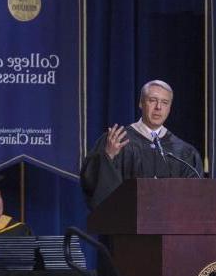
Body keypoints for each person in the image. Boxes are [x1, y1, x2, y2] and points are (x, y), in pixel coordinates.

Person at [81, 79, 203, 210]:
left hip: (171, 227)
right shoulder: (116, 140)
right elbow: (90, 182)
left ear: (170, 108)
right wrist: (108, 156)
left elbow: (196, 197)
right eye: (152, 100)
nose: (158, 107)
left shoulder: (184, 152)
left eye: (164, 102)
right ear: (141, 103)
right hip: (126, 225)